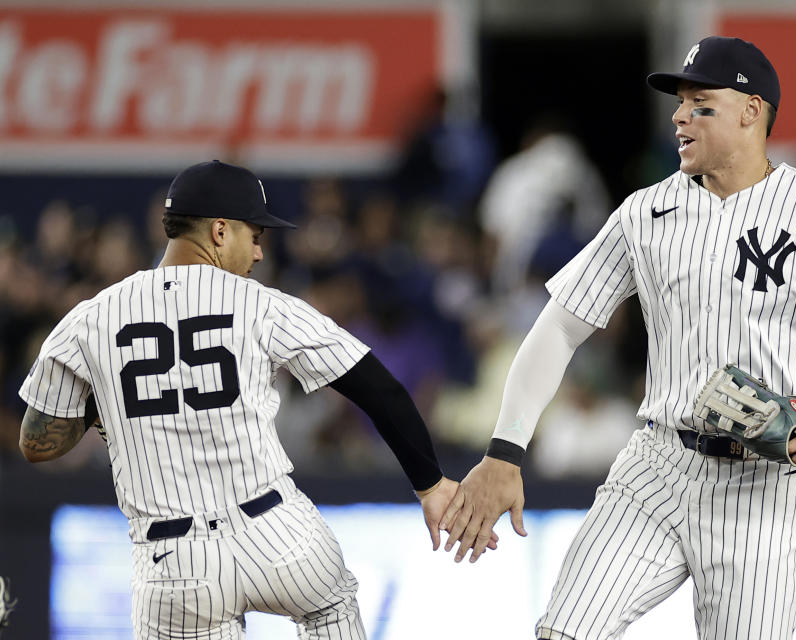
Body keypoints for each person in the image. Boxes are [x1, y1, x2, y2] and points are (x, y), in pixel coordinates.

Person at [439, 36, 796, 639]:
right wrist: (504, 451)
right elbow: (558, 329)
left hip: (768, 489)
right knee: (563, 633)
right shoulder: (643, 213)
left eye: (701, 104)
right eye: (680, 103)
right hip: (658, 464)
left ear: (750, 111)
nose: (680, 116)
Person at [18, 160, 471, 639]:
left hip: (173, 561)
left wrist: (112, 401)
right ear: (219, 230)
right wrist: (431, 484)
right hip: (276, 532)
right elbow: (379, 388)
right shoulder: (260, 303)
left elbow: (37, 444)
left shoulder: (90, 319)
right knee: (331, 607)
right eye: (253, 235)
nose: (258, 253)